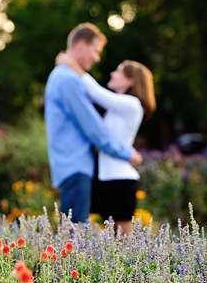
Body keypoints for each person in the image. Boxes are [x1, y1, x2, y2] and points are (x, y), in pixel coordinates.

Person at [44, 23, 142, 223]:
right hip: (76, 166)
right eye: (96, 51)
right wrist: (126, 153)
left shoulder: (61, 76)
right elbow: (94, 129)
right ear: (81, 45)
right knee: (73, 236)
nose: (97, 58)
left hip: (71, 164)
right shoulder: (68, 80)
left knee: (73, 235)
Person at [55, 52, 156, 234]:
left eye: (118, 71)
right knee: (108, 241)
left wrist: (71, 64)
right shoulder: (115, 109)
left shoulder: (133, 104)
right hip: (103, 179)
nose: (112, 74)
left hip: (121, 180)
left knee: (123, 240)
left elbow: (96, 92)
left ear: (130, 81)